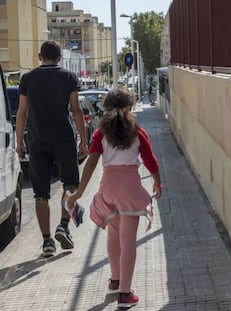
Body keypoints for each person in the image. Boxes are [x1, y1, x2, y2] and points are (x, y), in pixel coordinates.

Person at [66, 88, 162, 308]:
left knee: (113, 235)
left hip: (108, 188)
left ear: (107, 108)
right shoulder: (137, 131)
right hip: (130, 188)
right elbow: (150, 160)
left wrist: (79, 192)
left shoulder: (101, 133)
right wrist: (157, 182)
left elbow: (90, 163)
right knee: (128, 241)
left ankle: (115, 280)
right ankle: (125, 294)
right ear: (130, 107)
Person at [16, 41, 88, 257]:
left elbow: (21, 112)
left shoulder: (27, 79)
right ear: (59, 58)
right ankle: (63, 227)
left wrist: (20, 141)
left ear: (40, 56)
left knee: (40, 194)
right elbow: (76, 110)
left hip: (37, 141)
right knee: (71, 185)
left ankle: (47, 242)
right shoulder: (68, 77)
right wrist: (83, 140)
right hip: (64, 139)